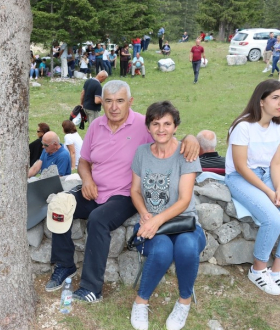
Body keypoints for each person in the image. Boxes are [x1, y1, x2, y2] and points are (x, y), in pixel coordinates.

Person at [44, 80, 200, 303]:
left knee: (98, 219)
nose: (114, 107)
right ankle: (65, 264)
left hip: (125, 195)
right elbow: (84, 161)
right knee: (59, 203)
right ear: (101, 102)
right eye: (108, 101)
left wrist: (191, 138)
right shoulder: (96, 126)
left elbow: (167, 137)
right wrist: (87, 180)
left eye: (120, 101)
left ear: (130, 102)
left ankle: (91, 288)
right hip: (94, 191)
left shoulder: (143, 125)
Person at [129, 101, 205, 330]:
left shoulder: (186, 152)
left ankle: (184, 302)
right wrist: (144, 213)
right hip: (151, 222)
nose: (161, 129)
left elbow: (184, 200)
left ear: (175, 127)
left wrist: (156, 220)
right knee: (161, 250)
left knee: (187, 246)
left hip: (184, 222)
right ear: (149, 127)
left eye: (167, 124)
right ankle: (141, 301)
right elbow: (134, 190)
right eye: (156, 124)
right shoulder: (142, 152)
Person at [225, 79, 280, 295]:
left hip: (268, 174)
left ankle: (276, 271)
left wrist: (278, 187)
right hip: (240, 177)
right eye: (275, 98)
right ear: (261, 101)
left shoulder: (278, 127)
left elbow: (275, 164)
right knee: (273, 218)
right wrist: (268, 192)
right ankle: (258, 270)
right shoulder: (243, 126)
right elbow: (240, 166)